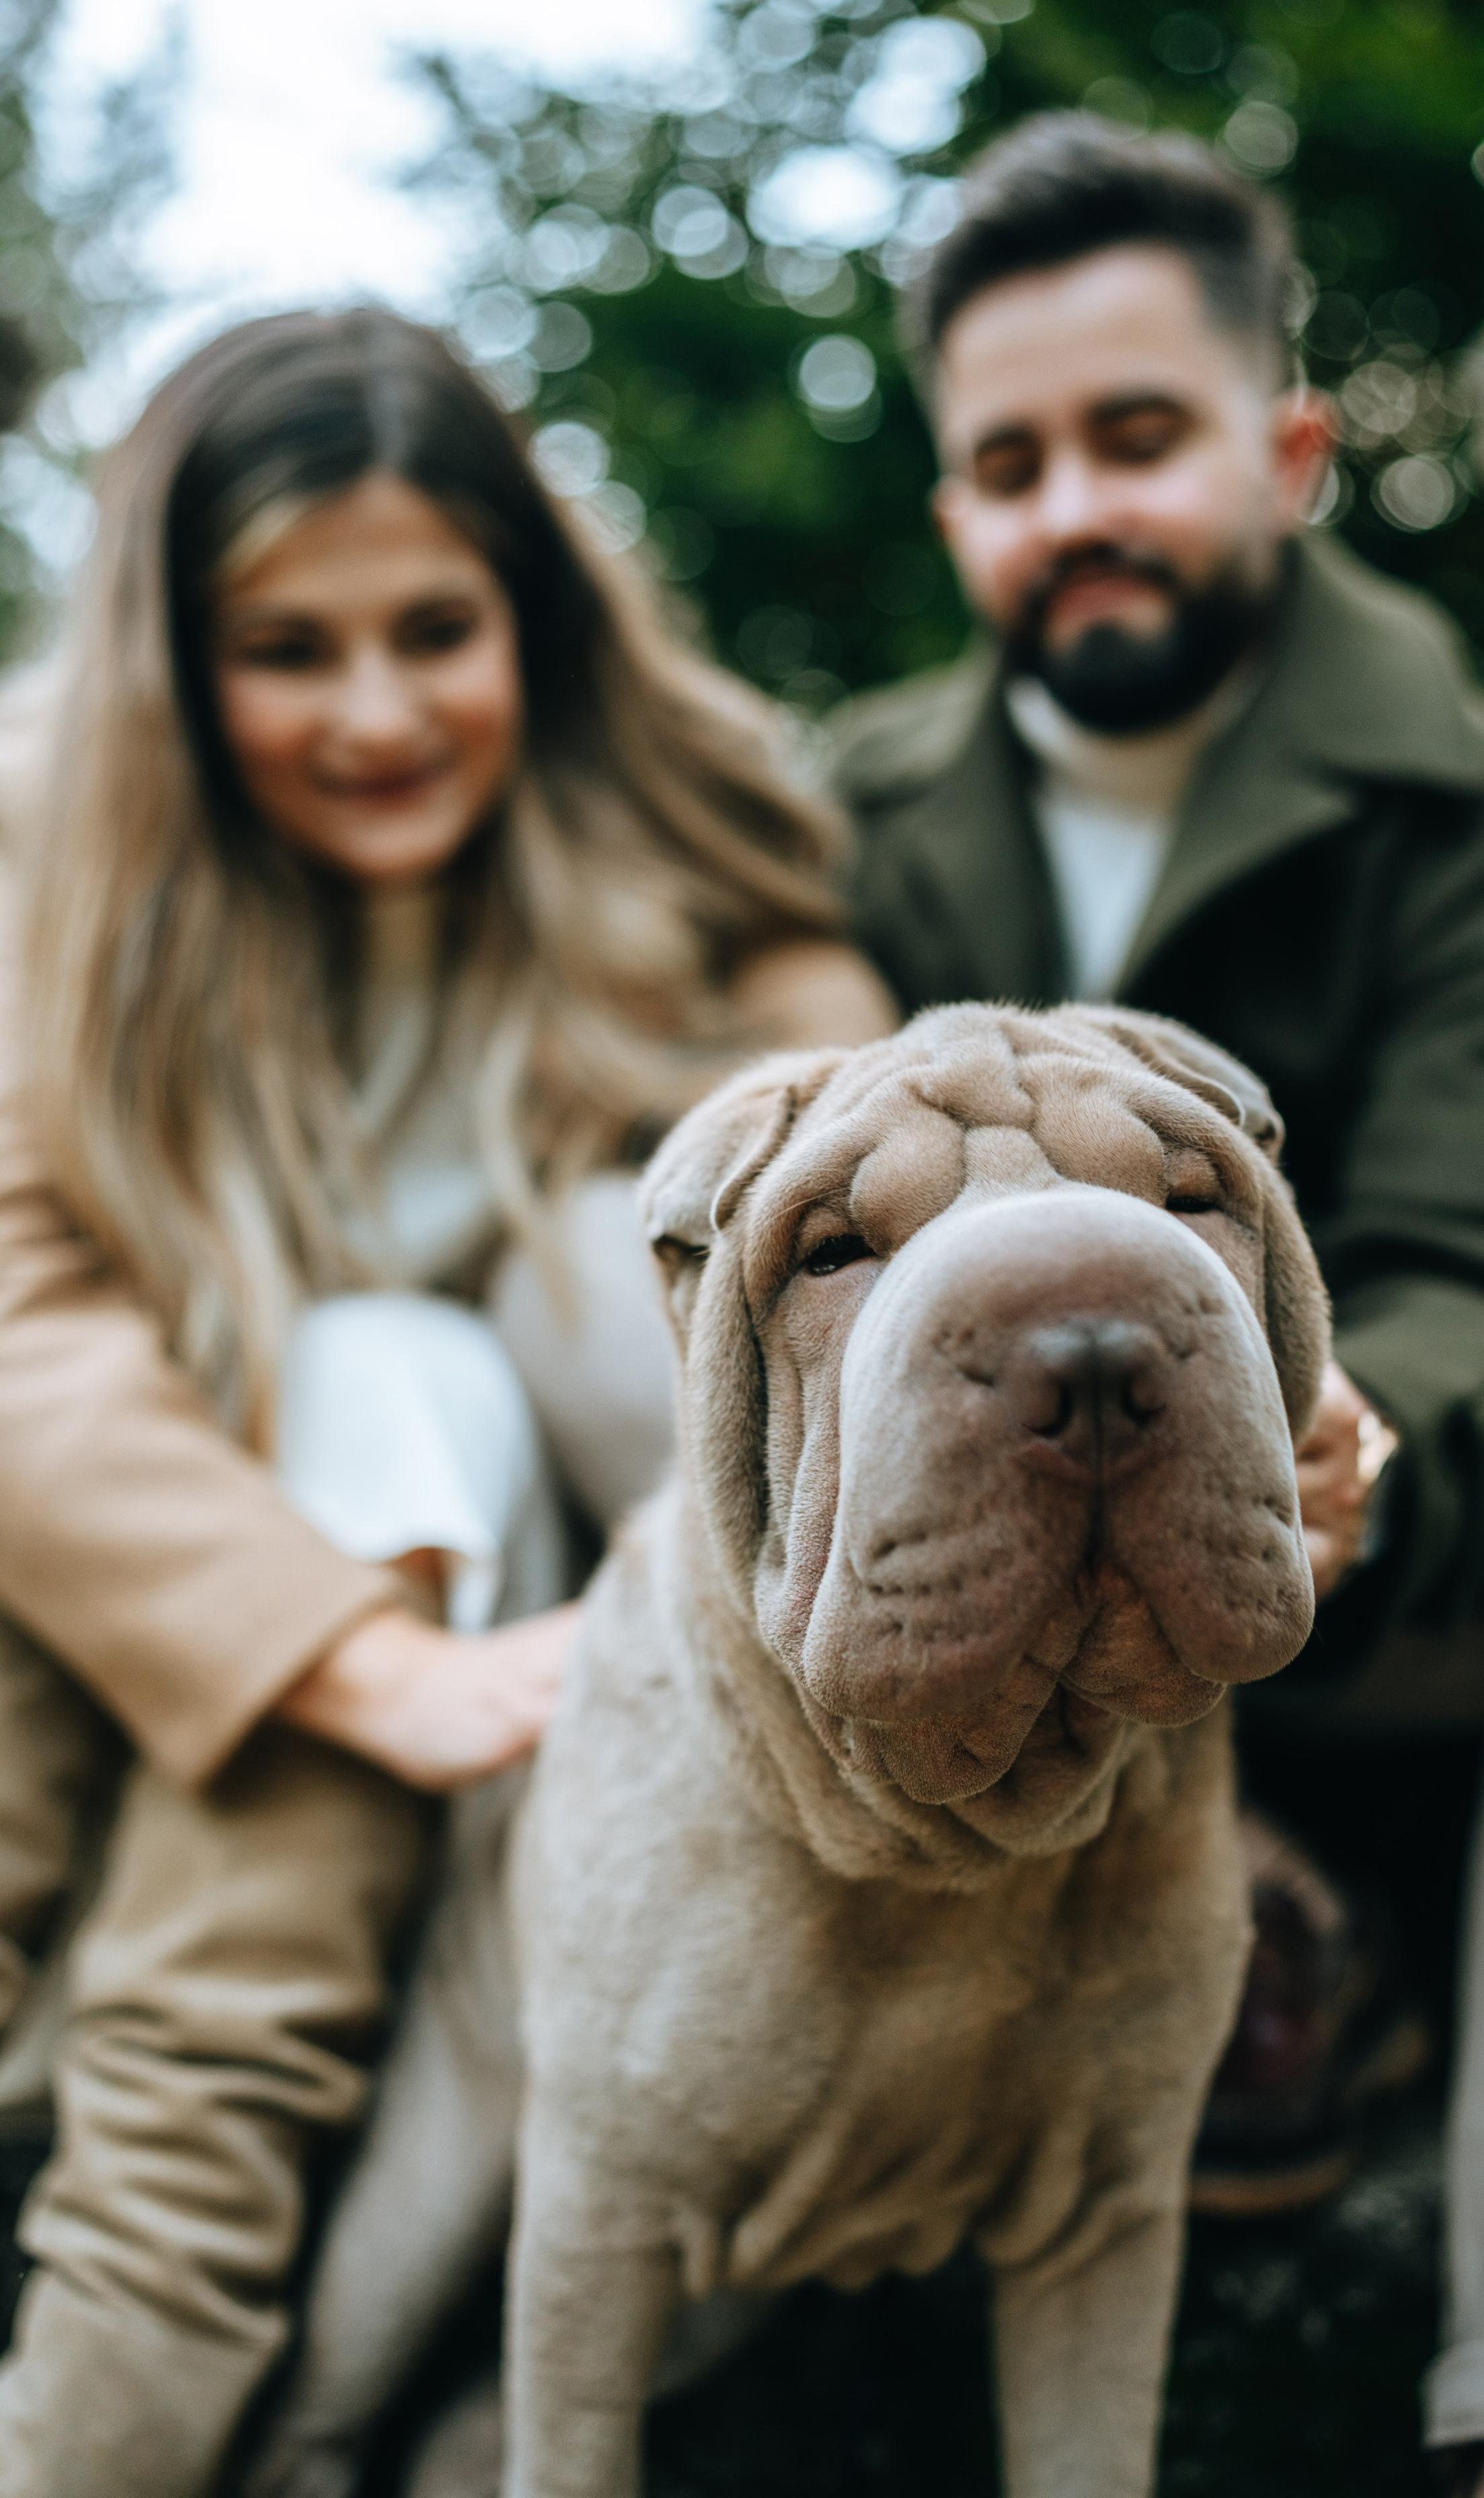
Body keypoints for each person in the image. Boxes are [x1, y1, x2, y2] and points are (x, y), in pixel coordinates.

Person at [826, 112, 1484, 2495]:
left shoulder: (1479, 818)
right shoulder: (837, 822)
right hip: (942, 1607)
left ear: (1291, 449)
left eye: (1140, 437)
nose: (1075, 508)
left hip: (1385, 1566)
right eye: (1009, 464)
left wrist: (1350, 1443)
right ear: (951, 517)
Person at [0, 306, 892, 2498]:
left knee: (421, 1390)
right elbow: (17, 1299)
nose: (376, 712)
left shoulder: (696, 852)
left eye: (433, 628)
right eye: (286, 648)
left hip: (512, 1568)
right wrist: (342, 1655)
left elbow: (875, 1187)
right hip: (142, 1549)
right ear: (177, 665)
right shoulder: (47, 841)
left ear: (531, 612)